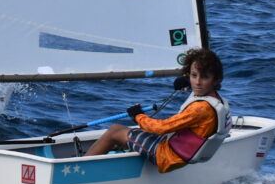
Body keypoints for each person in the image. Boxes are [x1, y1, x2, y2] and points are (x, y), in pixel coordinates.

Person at [83, 48, 232, 173]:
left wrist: (138, 116)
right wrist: (188, 82)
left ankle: (82, 171)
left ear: (216, 80)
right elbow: (199, 93)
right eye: (194, 76)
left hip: (167, 156)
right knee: (128, 135)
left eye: (204, 77)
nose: (197, 82)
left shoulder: (201, 108)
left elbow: (161, 128)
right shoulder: (215, 99)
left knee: (114, 131)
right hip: (179, 150)